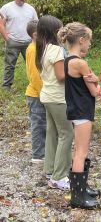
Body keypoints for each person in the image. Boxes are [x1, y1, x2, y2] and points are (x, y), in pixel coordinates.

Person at [58, 22, 101, 209]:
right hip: (83, 110)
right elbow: (96, 92)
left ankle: (82, 188)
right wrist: (98, 83)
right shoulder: (81, 63)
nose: (90, 44)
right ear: (82, 40)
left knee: (79, 151)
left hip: (76, 108)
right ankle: (78, 196)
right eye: (89, 41)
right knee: (81, 152)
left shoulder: (68, 59)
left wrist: (95, 80)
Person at [35, 15, 73, 191]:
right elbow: (61, 76)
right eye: (60, 28)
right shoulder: (57, 50)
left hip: (46, 96)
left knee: (52, 133)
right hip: (58, 98)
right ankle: (59, 176)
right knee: (67, 134)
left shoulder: (41, 48)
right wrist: (77, 72)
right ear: (54, 31)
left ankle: (50, 169)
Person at [0, 0, 38, 89]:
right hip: (13, 41)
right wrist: (7, 39)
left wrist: (35, 40)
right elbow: (1, 24)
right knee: (9, 65)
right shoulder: (6, 8)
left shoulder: (30, 9)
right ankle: (6, 87)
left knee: (33, 64)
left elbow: (36, 24)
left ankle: (36, 84)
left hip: (29, 42)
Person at [25, 19, 46, 163]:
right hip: (36, 95)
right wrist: (43, 93)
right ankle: (38, 155)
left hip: (40, 93)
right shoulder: (32, 49)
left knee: (44, 123)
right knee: (38, 124)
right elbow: (34, 75)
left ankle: (43, 152)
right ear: (35, 34)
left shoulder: (38, 47)